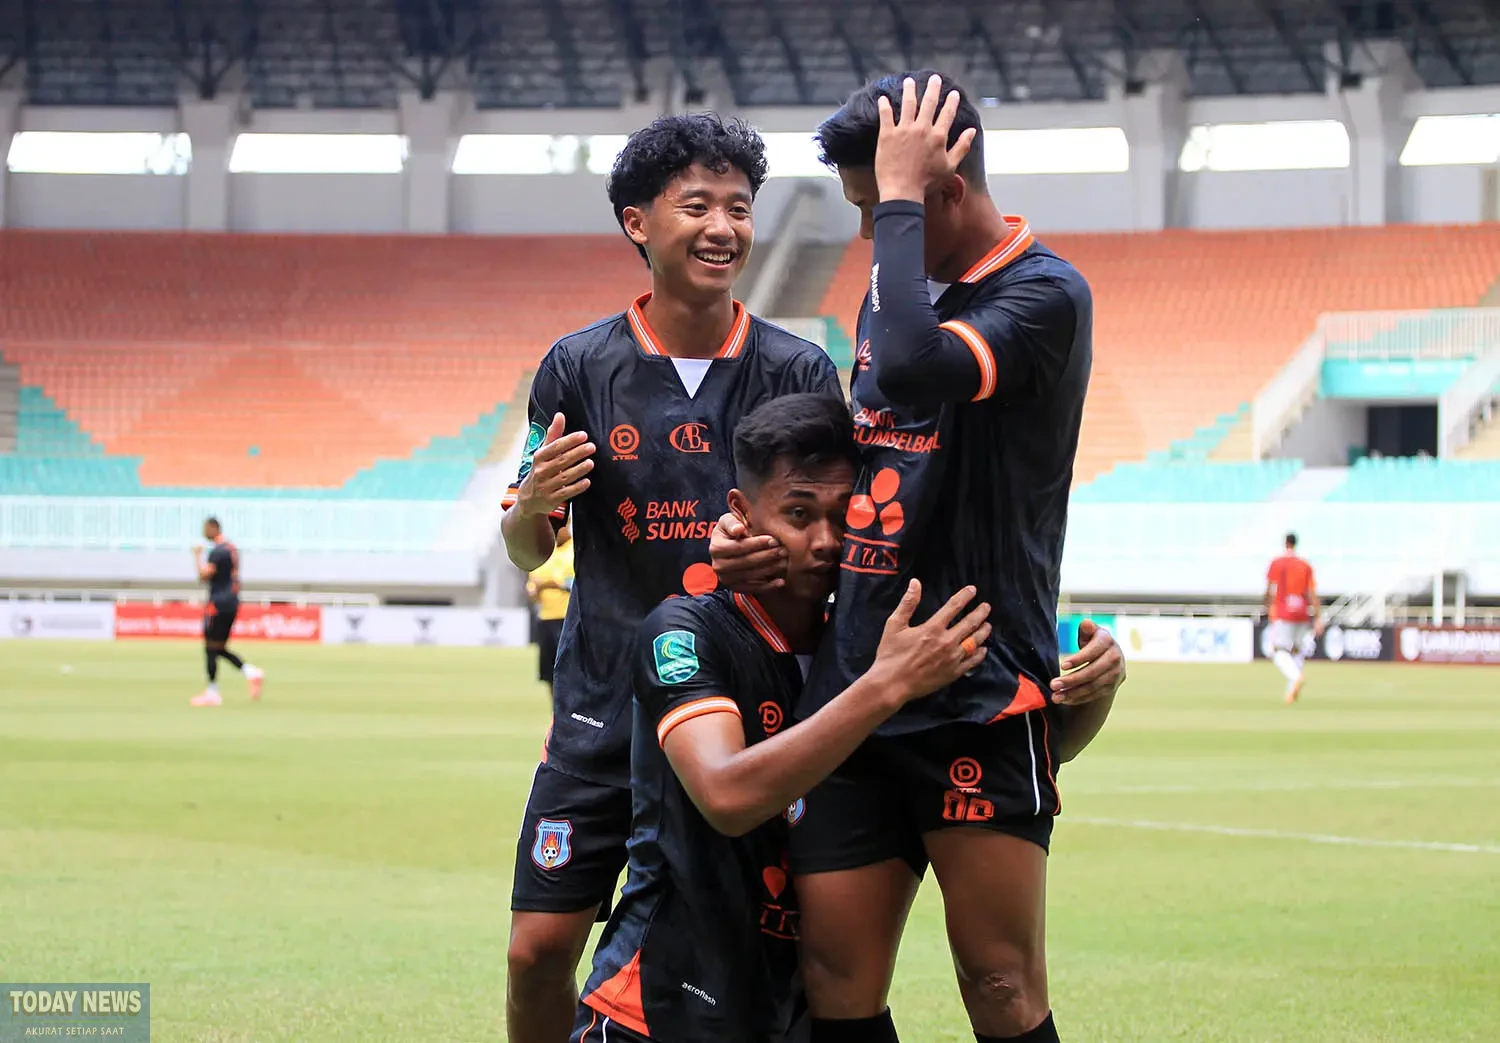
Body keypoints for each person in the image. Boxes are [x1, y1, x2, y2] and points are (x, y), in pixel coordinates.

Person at [711, 72, 1125, 1042]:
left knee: (1000, 981)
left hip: (976, 686)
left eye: (878, 207)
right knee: (834, 977)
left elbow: (912, 365)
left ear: (942, 190)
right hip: (858, 688)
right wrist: (755, 530)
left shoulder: (1045, 292)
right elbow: (868, 445)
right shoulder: (889, 293)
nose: (869, 233)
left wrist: (897, 201)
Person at [500, 113, 845, 1043]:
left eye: (739, 207)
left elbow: (830, 548)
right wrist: (532, 506)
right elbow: (529, 547)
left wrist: (766, 567)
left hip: (736, 713)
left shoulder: (799, 369)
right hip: (603, 704)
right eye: (697, 206)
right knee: (537, 950)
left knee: (751, 960)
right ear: (637, 223)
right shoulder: (576, 367)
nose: (723, 226)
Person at [573, 393, 991, 1043]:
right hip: (659, 1010)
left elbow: (979, 765)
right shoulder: (684, 631)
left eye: (844, 516)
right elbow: (726, 794)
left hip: (806, 1011)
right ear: (741, 513)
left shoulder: (866, 649)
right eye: (798, 514)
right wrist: (886, 687)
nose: (825, 541)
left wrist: (1087, 697)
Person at [190, 517, 263, 707]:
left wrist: (197, 556)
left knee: (210, 647)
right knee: (218, 647)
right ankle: (251, 672)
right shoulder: (231, 549)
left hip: (218, 603)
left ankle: (212, 692)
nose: (204, 533)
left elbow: (204, 575)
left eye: (206, 528)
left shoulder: (218, 551)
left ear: (213, 528)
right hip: (232, 601)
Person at [1265, 532, 1321, 704]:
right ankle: (1291, 693)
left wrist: (1268, 607)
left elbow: (1270, 588)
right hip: (1302, 613)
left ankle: (1296, 677)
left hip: (1284, 612)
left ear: (1285, 543)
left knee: (1278, 651)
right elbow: (1311, 593)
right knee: (1296, 650)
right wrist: (1318, 617)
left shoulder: (1277, 563)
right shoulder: (1305, 565)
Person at [527, 524, 575, 698]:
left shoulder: (576, 549)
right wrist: (537, 589)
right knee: (549, 673)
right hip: (546, 617)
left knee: (570, 669)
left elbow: (576, 583)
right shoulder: (545, 552)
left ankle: (570, 708)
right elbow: (533, 589)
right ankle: (555, 710)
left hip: (568, 618)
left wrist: (553, 584)